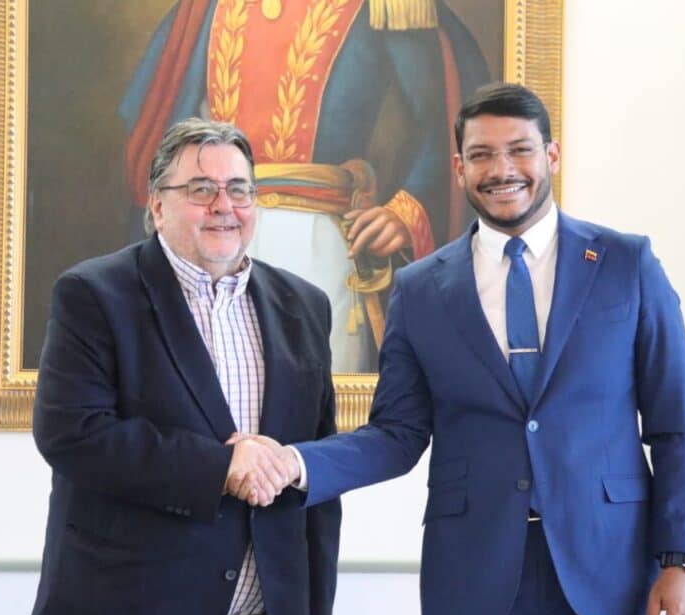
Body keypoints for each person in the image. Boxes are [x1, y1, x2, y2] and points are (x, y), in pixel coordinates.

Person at [237, 83, 685, 615]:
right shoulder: (420, 288)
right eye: (482, 154)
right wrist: (295, 465)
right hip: (473, 578)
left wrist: (679, 560)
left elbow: (678, 427)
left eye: (520, 150)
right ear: (459, 167)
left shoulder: (625, 263)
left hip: (608, 573)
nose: (502, 170)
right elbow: (397, 434)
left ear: (552, 156)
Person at [24, 118, 341, 615]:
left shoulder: (305, 304)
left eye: (240, 189)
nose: (225, 205)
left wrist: (314, 597)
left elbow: (316, 455)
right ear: (157, 205)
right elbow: (73, 436)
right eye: (201, 189)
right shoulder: (94, 294)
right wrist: (223, 466)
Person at [119, 0, 490, 371]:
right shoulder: (206, 7)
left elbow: (451, 114)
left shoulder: (385, 6)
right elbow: (160, 127)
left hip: (321, 244)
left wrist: (405, 210)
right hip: (213, 239)